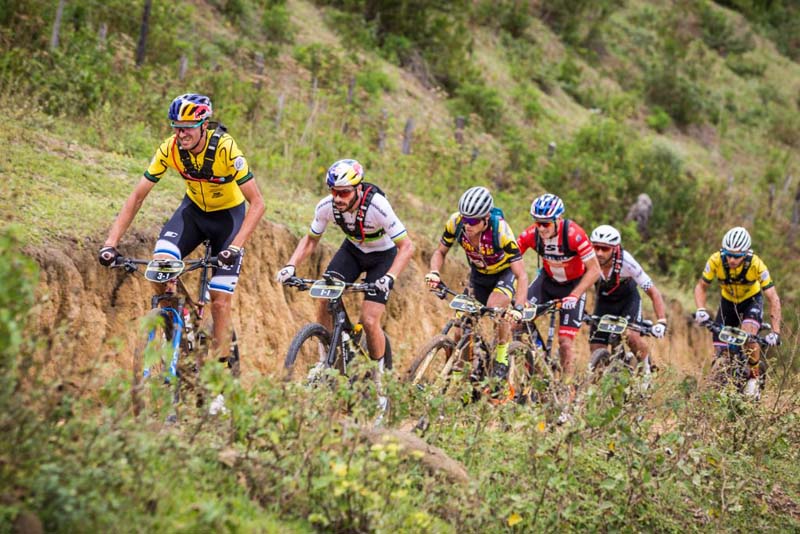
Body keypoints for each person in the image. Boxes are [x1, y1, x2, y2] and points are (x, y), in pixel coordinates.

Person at [99, 93, 265, 365]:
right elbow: (137, 196)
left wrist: (235, 247)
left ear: (204, 125)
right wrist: (110, 243)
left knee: (219, 300)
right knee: (159, 267)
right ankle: (177, 331)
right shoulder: (170, 148)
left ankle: (218, 375)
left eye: (187, 127)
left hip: (228, 220)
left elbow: (258, 203)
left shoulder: (225, 148)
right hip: (193, 214)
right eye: (176, 127)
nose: (180, 133)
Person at [276, 159, 414, 377]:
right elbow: (311, 240)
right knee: (324, 296)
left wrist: (390, 277)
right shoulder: (326, 206)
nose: (338, 198)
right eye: (334, 192)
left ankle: (379, 378)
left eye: (344, 193)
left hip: (383, 256)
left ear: (358, 188)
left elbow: (406, 247)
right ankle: (325, 361)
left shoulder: (378, 206)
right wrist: (290, 266)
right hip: (353, 251)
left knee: (369, 320)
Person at [424, 186, 529, 387]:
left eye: (473, 221)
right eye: (465, 219)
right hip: (478, 276)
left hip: (503, 275)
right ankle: (460, 378)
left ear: (486, 218)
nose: (467, 225)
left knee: (495, 308)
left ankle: (501, 355)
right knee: (460, 330)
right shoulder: (456, 223)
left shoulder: (501, 231)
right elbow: (440, 252)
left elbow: (522, 275)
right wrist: (434, 272)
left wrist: (518, 308)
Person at [517, 193, 600, 378]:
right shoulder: (532, 234)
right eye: (537, 222)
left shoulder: (574, 235)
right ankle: (538, 363)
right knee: (518, 318)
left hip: (572, 286)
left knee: (565, 341)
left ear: (558, 219)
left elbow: (595, 270)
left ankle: (567, 387)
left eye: (546, 224)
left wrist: (575, 295)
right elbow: (510, 258)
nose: (541, 228)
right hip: (547, 282)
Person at [693, 226, 782, 395]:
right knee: (720, 352)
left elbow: (774, 298)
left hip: (751, 302)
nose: (732, 259)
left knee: (748, 337)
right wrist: (701, 309)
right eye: (728, 254)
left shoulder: (756, 264)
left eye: (737, 256)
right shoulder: (715, 260)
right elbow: (701, 286)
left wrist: (776, 332)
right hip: (728, 303)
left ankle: (754, 377)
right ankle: (721, 387)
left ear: (746, 253)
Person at [588, 224, 668, 371]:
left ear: (614, 249)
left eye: (604, 249)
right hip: (604, 302)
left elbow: (653, 292)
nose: (599, 253)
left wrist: (662, 321)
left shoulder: (627, 262)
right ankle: (600, 380)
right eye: (596, 247)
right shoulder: (587, 259)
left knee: (631, 337)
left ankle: (646, 370)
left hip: (628, 301)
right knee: (596, 347)